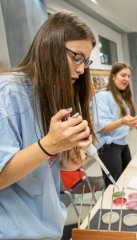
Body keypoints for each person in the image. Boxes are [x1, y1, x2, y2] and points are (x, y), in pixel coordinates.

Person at [0, 11, 96, 239]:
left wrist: (68, 161)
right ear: (50, 47)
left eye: (86, 61)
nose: (82, 70)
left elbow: (37, 168)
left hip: (49, 226)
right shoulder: (7, 93)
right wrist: (50, 145)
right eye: (77, 58)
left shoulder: (51, 95)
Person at [91, 62, 137, 187]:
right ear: (113, 76)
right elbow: (101, 127)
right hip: (108, 147)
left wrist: (133, 124)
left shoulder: (122, 96)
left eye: (129, 76)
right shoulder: (102, 96)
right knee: (114, 186)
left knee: (127, 179)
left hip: (122, 143)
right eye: (123, 75)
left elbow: (121, 118)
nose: (126, 79)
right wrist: (123, 121)